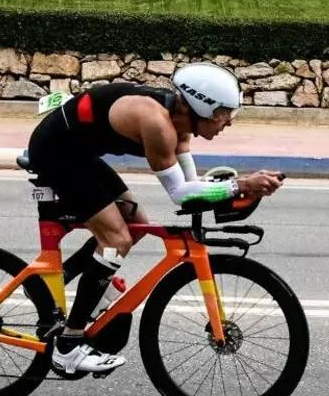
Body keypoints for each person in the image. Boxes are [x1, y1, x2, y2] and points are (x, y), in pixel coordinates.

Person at [25, 62, 284, 375]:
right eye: (224, 113)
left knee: (135, 227)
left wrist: (234, 190)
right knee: (115, 239)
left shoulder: (182, 130)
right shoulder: (157, 123)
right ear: (203, 106)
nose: (228, 122)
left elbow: (192, 191)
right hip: (56, 152)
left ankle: (50, 283)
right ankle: (69, 346)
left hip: (78, 154)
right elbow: (179, 194)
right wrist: (240, 185)